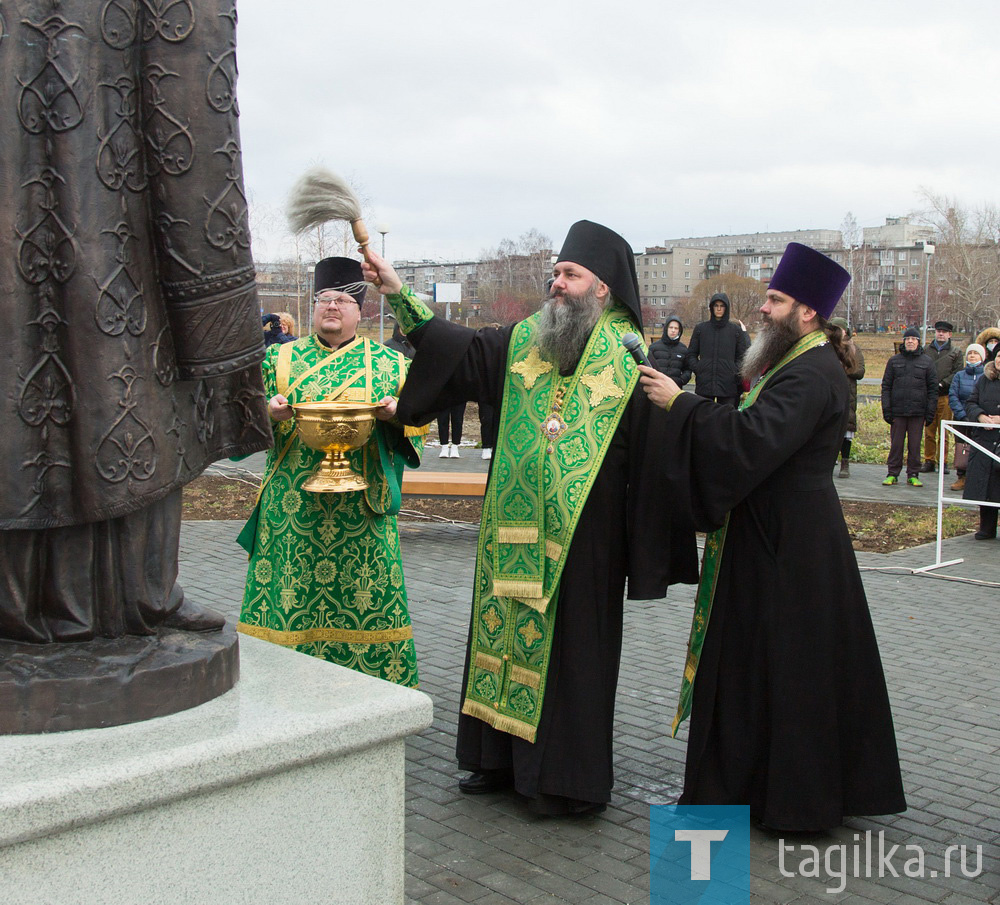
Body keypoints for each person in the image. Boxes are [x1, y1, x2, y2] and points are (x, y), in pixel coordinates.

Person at [362, 221, 698, 815]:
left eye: (571, 275)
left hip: (585, 545)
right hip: (508, 533)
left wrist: (645, 549)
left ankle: (564, 781)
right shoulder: (526, 341)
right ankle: (496, 762)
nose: (557, 284)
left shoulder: (629, 362)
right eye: (556, 274)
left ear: (604, 291)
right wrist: (398, 293)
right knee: (501, 641)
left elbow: (657, 461)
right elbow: (459, 351)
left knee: (573, 658)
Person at [0, 1, 270, 643]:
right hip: (115, 201)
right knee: (131, 382)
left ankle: (120, 596)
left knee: (112, 389)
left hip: (96, 196)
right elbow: (189, 71)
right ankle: (130, 596)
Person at [638, 242, 906, 832]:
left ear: (807, 312)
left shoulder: (811, 371)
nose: (762, 309)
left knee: (788, 669)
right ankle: (756, 783)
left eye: (775, 300)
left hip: (790, 547)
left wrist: (682, 406)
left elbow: (750, 441)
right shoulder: (796, 361)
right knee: (760, 664)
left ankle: (793, 796)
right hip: (775, 535)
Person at [237, 258, 426, 687]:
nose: (332, 307)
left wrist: (399, 415)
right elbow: (242, 416)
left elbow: (419, 424)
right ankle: (276, 683)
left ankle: (371, 689)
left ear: (361, 311)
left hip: (362, 507)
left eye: (342, 300)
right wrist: (269, 412)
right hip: (292, 508)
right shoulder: (279, 359)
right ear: (313, 307)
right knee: (290, 598)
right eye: (324, 299)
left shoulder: (391, 364)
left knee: (366, 596)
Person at [881, 328, 937, 486]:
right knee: (896, 445)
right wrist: (887, 410)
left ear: (919, 342)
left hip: (918, 413)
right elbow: (886, 387)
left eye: (913, 338)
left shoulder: (927, 362)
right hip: (898, 412)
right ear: (903, 342)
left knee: (914, 445)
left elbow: (933, 390)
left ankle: (913, 474)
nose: (910, 341)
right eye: (907, 339)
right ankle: (892, 473)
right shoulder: (894, 361)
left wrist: (929, 413)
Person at [684, 292, 750, 407]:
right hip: (704, 383)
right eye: (716, 306)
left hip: (727, 385)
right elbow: (691, 354)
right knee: (702, 419)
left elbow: (742, 357)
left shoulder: (735, 331)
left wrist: (734, 372)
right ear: (711, 308)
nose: (719, 309)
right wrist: (699, 369)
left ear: (727, 308)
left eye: (722, 306)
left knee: (725, 420)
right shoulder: (701, 329)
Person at [962, 352, 1000, 540]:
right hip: (984, 439)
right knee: (986, 485)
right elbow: (970, 403)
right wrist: (980, 416)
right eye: (999, 355)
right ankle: (987, 527)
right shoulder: (984, 380)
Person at [920, 321, 963, 474]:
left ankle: (943, 462)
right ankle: (929, 460)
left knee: (944, 431)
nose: (941, 334)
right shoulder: (926, 350)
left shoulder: (956, 352)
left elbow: (957, 372)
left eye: (944, 332)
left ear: (949, 334)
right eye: (938, 331)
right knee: (929, 431)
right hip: (929, 397)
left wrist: (943, 384)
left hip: (946, 396)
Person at [829, 317, 865, 478]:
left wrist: (842, 370)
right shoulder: (826, 348)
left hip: (847, 393)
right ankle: (828, 461)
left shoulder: (854, 349)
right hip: (829, 392)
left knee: (846, 429)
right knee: (829, 428)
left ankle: (845, 462)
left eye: (839, 329)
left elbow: (859, 371)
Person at [948, 344, 986, 491]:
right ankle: (961, 477)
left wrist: (979, 415)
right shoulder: (959, 375)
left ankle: (976, 479)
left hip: (980, 419)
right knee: (962, 448)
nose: (972, 356)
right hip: (962, 419)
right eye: (970, 353)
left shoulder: (986, 376)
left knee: (979, 449)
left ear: (981, 357)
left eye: (976, 353)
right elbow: (953, 396)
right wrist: (962, 415)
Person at [648, 316, 692, 386]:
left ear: (679, 331)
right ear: (666, 329)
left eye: (676, 328)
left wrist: (681, 380)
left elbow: (688, 370)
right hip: (656, 388)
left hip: (675, 389)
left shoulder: (683, 349)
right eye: (671, 327)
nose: (673, 330)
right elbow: (647, 367)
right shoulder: (654, 347)